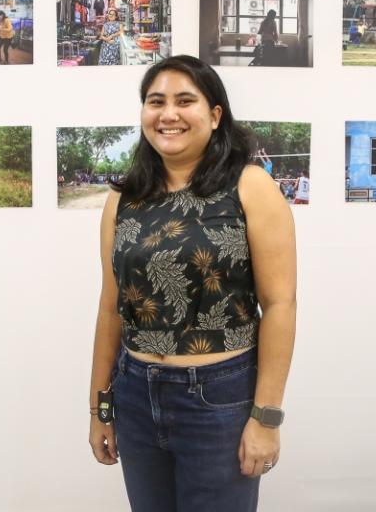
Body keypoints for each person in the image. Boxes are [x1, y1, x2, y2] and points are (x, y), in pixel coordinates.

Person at [88, 55, 297, 511]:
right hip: (136, 393)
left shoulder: (250, 186)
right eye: (155, 101)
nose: (168, 114)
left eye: (186, 101)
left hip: (219, 398)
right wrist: (100, 407)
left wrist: (266, 417)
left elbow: (279, 304)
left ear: (215, 114)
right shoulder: (124, 198)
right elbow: (111, 307)